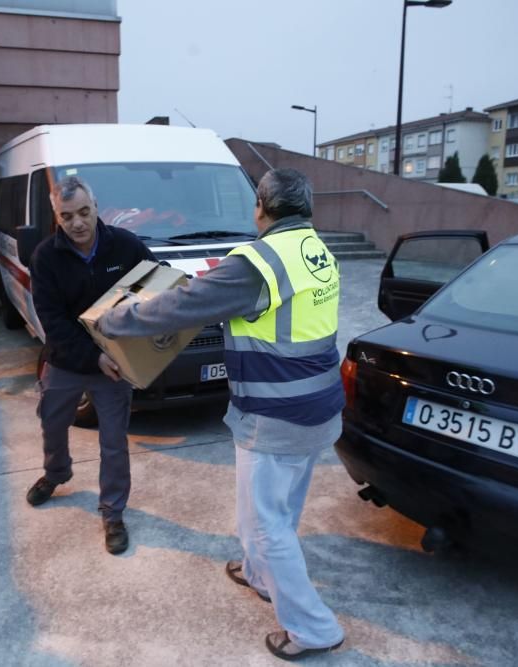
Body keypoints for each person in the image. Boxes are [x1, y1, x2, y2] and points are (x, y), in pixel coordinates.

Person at [97, 169, 345, 660]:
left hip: (276, 412)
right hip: (316, 405)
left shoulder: (259, 261)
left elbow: (182, 305)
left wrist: (113, 319)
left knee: (264, 524)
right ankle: (258, 575)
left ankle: (315, 629)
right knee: (280, 510)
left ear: (261, 206)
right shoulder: (316, 249)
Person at [25, 175, 156, 555]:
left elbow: (154, 278)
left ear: (97, 207)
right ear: (57, 217)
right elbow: (53, 322)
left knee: (114, 441)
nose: (77, 222)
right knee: (52, 421)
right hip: (67, 359)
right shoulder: (46, 257)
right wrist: (91, 357)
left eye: (84, 212)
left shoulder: (125, 244)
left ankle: (113, 512)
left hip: (114, 361)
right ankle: (56, 473)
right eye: (67, 216)